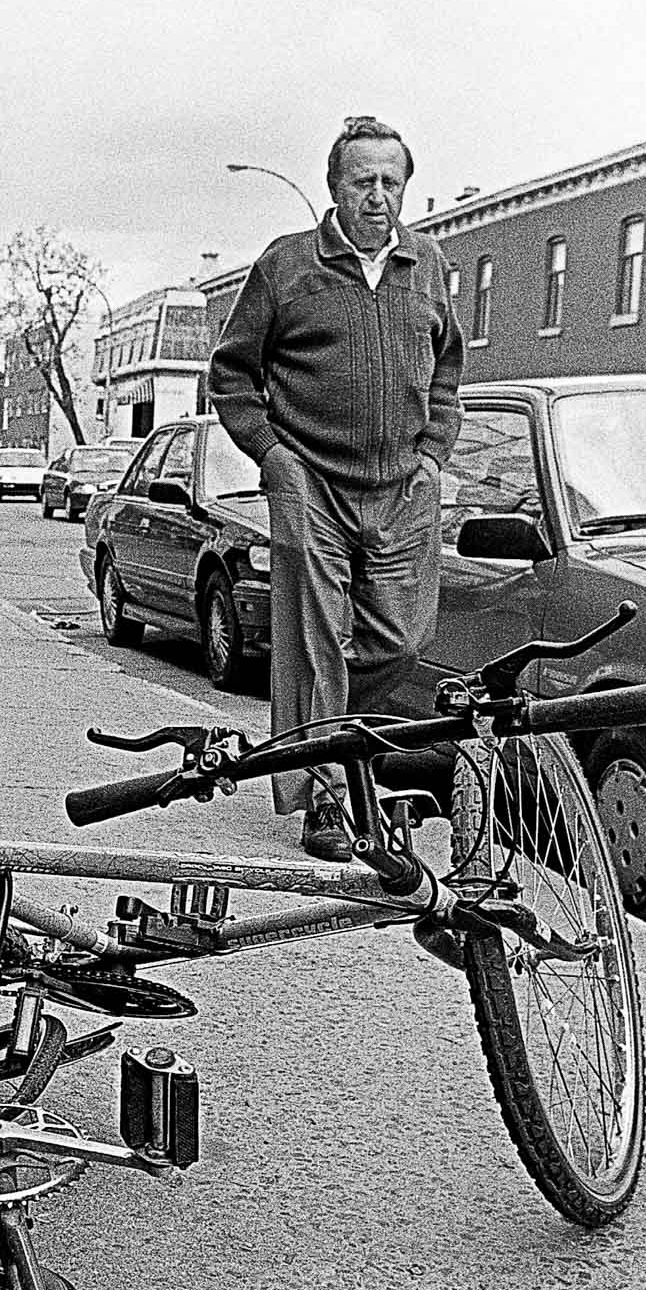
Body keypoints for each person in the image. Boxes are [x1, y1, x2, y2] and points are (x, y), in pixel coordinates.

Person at [208, 114, 464, 859]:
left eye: (391, 181)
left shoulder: (429, 265)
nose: (378, 197)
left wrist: (433, 455)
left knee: (402, 639)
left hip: (402, 486)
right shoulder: (287, 265)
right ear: (334, 189)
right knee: (315, 644)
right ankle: (324, 799)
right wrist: (271, 455)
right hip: (309, 481)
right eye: (363, 182)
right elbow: (230, 372)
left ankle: (317, 739)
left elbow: (447, 371)